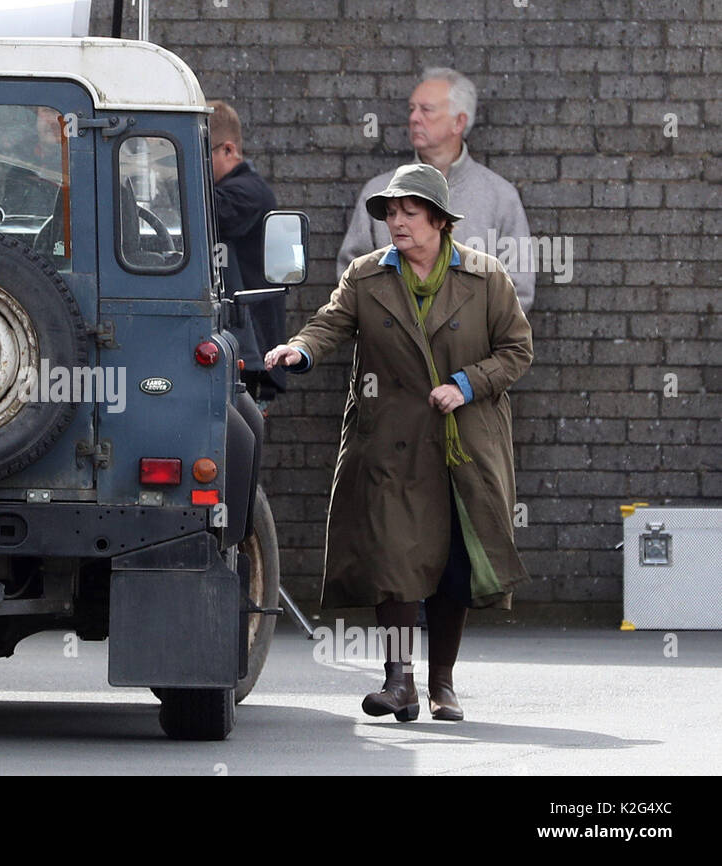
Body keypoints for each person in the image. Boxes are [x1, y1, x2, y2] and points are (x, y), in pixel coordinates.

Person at [265, 164, 532, 722]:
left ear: (439, 220)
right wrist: (300, 350)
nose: (397, 222)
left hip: (462, 445)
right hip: (388, 442)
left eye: (410, 212)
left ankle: (442, 683)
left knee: (453, 564)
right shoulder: (366, 276)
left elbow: (515, 351)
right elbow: (330, 323)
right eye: (390, 212)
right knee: (393, 555)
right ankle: (398, 682)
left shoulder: (486, 278)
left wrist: (464, 386)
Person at [337, 68, 535, 313]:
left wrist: (471, 338)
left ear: (458, 122)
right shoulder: (378, 192)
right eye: (412, 109)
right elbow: (351, 280)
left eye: (426, 110)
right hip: (392, 348)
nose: (414, 118)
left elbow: (518, 288)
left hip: (473, 351)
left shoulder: (500, 198)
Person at [208, 100, 283, 413]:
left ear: (228, 150)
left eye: (201, 152)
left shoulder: (247, 192)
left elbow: (204, 211)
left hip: (251, 354)